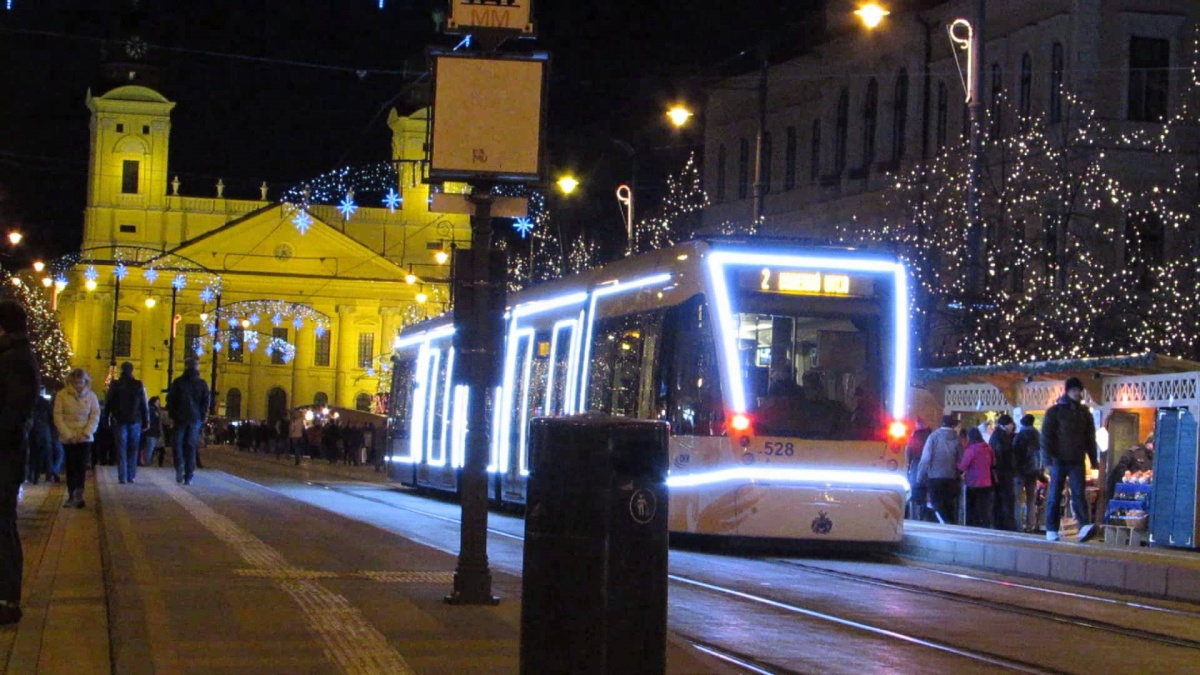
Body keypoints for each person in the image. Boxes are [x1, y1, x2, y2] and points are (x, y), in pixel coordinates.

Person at [0, 301, 41, 625]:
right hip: (8, 452)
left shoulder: (15, 359)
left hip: (5, 454)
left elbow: (13, 413)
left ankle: (7, 599)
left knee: (3, 525)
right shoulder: (15, 356)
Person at [1041, 377, 1099, 542]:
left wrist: (1093, 460)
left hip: (1077, 459)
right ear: (1067, 391)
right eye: (1074, 390)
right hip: (1058, 459)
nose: (1077, 393)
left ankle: (1084, 525)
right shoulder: (1055, 412)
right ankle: (1051, 528)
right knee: (1055, 495)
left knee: (1079, 494)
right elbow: (1046, 437)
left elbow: (1090, 438)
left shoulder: (1084, 413)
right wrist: (1047, 461)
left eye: (1079, 390)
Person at [54, 368, 100, 510]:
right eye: (75, 382)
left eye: (81, 382)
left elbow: (95, 415)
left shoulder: (91, 396)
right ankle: (71, 494)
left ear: (85, 382)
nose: (78, 385)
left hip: (84, 437)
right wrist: (68, 435)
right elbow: (58, 416)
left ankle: (79, 495)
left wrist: (86, 433)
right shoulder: (62, 395)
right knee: (70, 466)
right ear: (70, 382)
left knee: (81, 466)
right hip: (69, 437)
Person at [104, 361, 149, 484]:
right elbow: (144, 404)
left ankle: (122, 476)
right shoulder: (138, 384)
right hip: (135, 420)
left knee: (121, 448)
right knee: (133, 449)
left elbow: (108, 402)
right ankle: (131, 475)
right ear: (132, 370)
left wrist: (106, 419)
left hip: (119, 420)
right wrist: (146, 421)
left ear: (121, 370)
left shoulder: (115, 384)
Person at [167, 358, 210, 486]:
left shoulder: (178, 382)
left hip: (180, 418)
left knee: (177, 444)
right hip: (195, 419)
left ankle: (179, 465)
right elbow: (206, 402)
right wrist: (202, 416)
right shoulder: (202, 383)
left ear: (185, 367)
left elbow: (170, 400)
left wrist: (172, 414)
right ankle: (189, 476)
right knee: (191, 446)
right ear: (197, 368)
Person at [916, 415, 963, 524]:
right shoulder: (957, 439)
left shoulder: (933, 437)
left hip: (935, 477)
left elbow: (926, 459)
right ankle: (950, 524)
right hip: (951, 477)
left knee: (936, 505)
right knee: (949, 505)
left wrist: (920, 477)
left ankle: (942, 525)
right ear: (952, 425)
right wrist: (958, 472)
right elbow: (962, 459)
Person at [1012, 414, 1044, 532]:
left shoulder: (1019, 436)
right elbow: (1041, 455)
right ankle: (1031, 525)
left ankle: (1019, 526)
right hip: (1033, 472)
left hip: (1019, 472)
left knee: (1018, 500)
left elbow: (1014, 454)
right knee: (1031, 500)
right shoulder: (1038, 436)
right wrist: (1040, 471)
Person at [959, 427, 995, 528]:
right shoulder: (988, 448)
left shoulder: (971, 449)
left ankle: (973, 525)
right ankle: (985, 524)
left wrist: (957, 466)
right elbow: (993, 463)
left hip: (973, 482)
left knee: (972, 506)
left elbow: (963, 466)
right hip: (987, 482)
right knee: (984, 506)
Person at [989, 414, 1018, 531]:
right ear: (1006, 424)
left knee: (1000, 499)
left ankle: (1001, 523)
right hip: (1003, 472)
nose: (1012, 426)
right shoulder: (1001, 437)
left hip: (1001, 472)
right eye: (1011, 424)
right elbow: (1001, 455)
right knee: (1005, 498)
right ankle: (1006, 524)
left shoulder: (999, 435)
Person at [905, 418, 933, 520]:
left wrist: (908, 464)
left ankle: (915, 514)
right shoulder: (930, 437)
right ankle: (924, 513)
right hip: (929, 467)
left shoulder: (913, 437)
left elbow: (908, 453)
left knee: (915, 488)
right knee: (926, 490)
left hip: (916, 465)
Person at [24, 392, 54, 485]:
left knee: (33, 454)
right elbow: (51, 418)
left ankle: (31, 476)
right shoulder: (45, 403)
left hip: (32, 431)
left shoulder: (28, 402)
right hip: (45, 430)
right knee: (47, 454)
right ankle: (48, 476)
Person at [145, 396, 165, 467]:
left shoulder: (154, 410)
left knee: (151, 448)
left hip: (153, 432)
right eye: (157, 402)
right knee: (150, 448)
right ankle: (147, 463)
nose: (158, 403)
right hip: (152, 432)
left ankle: (148, 462)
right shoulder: (152, 410)